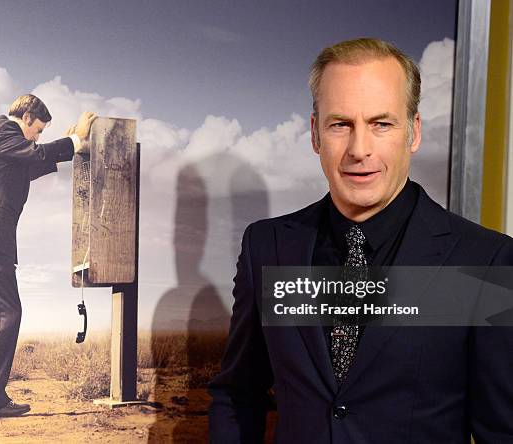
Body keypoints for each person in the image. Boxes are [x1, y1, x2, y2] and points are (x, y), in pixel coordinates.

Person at [208, 38, 513, 443]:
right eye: (341, 124)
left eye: (381, 124)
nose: (359, 149)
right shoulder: (267, 248)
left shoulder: (485, 261)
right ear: (316, 133)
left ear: (413, 132)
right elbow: (238, 394)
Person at [0, 94, 96, 420]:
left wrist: (71, 148)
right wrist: (77, 139)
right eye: (38, 131)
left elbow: (31, 165)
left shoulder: (5, 145)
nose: (37, 138)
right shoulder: (4, 130)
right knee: (6, 316)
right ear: (28, 116)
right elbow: (35, 154)